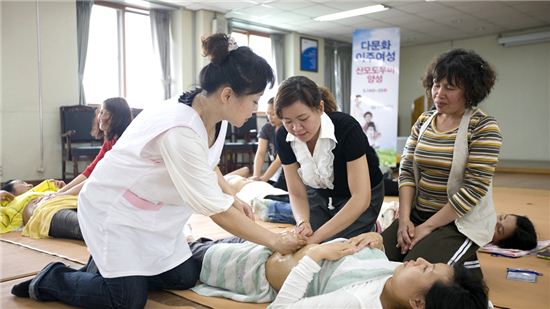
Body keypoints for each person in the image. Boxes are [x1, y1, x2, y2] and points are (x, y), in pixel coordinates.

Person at [11, 33, 305, 308]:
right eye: (254, 101)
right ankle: (52, 279)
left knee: (184, 276)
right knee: (127, 300)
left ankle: (107, 268)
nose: (255, 109)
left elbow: (206, 162)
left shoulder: (216, 115)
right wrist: (275, 240)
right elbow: (215, 211)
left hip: (155, 214)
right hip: (115, 212)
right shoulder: (179, 127)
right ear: (228, 94)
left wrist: (231, 194)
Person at [381, 49, 502, 276]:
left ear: (470, 91)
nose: (439, 94)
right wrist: (405, 219)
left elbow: (473, 189)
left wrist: (426, 228)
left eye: (450, 87)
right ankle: (460, 264)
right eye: (436, 84)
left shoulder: (484, 127)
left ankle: (461, 264)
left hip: (458, 223)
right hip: (417, 214)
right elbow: (406, 170)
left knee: (409, 274)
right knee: (372, 259)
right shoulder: (425, 120)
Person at [190, 232, 488, 309]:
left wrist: (317, 254)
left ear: (418, 303)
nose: (419, 260)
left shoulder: (354, 303)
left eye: (425, 270)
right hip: (276, 248)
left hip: (254, 267)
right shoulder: (405, 283)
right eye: (430, 262)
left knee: (190, 255)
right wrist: (376, 244)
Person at [275, 76, 384, 244]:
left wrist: (317, 238)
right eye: (288, 121)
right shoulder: (283, 136)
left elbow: (360, 197)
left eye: (303, 119)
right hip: (321, 193)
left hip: (362, 195)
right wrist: (303, 223)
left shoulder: (346, 128)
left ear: (320, 108)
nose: (296, 128)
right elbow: (296, 192)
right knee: (303, 239)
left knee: (335, 243)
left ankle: (371, 226)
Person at [250, 97, 286, 190]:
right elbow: (261, 153)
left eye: (273, 114)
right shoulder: (267, 128)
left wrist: (263, 179)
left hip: (287, 171)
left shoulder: (287, 130)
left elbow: (279, 160)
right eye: (268, 114)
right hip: (275, 173)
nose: (270, 117)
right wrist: (256, 176)